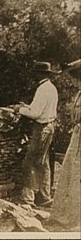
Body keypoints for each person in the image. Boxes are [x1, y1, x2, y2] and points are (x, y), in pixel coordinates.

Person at [14, 61, 59, 207]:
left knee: (30, 162)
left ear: (40, 74)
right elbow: (39, 108)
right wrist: (26, 106)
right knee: (43, 162)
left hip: (42, 127)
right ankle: (45, 196)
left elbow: (36, 113)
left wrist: (18, 110)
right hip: (50, 126)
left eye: (36, 73)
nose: (35, 76)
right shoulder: (51, 88)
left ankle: (28, 198)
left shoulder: (42, 89)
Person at [50, 59, 81, 230]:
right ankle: (64, 215)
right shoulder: (78, 93)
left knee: (78, 175)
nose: (72, 81)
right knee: (69, 173)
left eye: (74, 78)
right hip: (77, 135)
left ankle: (77, 219)